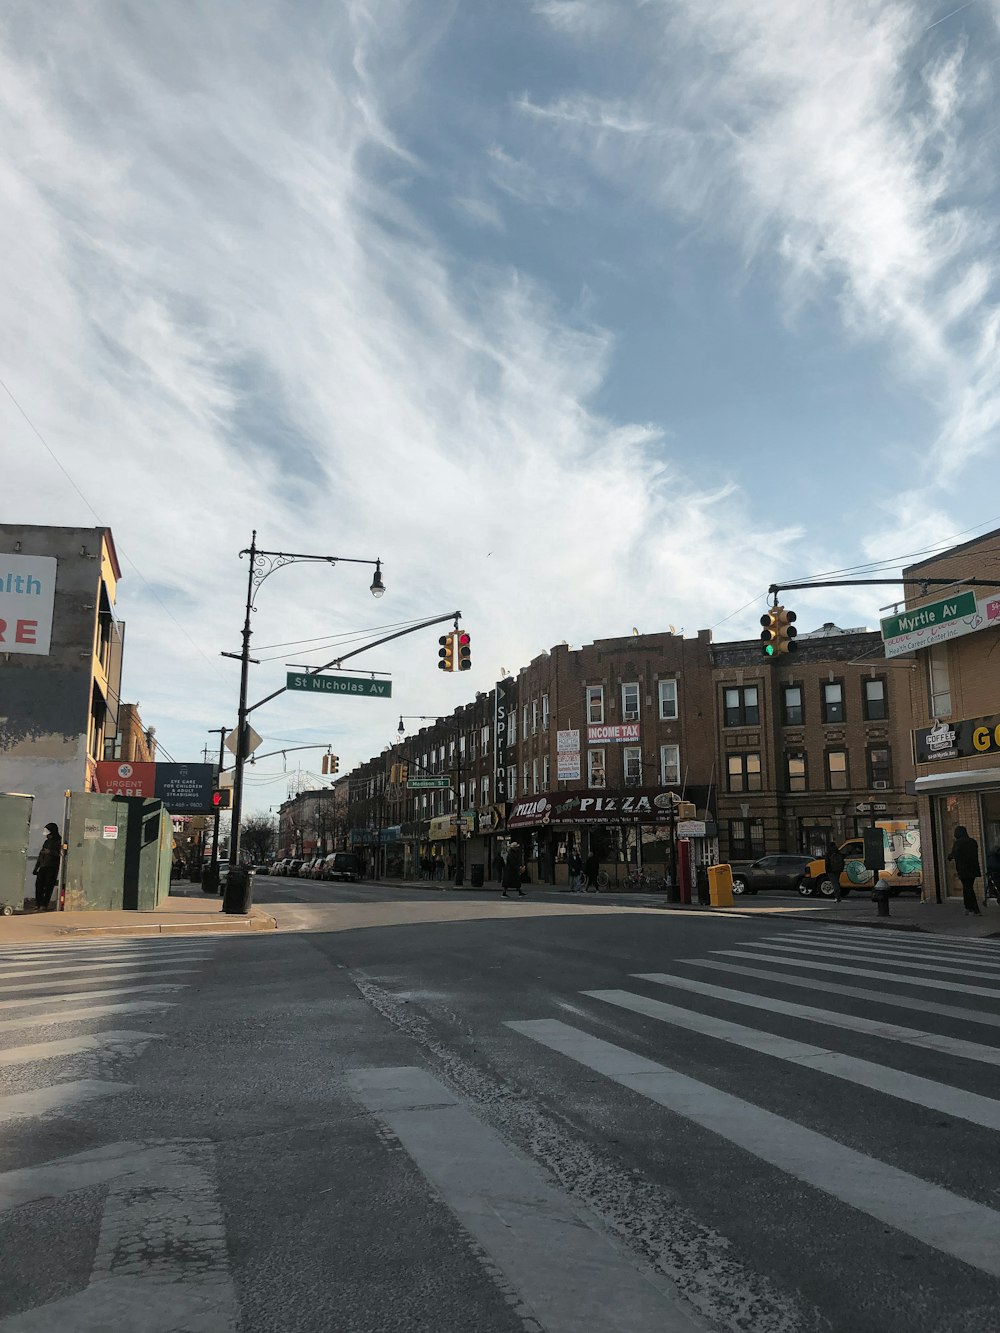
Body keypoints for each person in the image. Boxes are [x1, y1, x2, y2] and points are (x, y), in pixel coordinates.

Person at [947, 824, 982, 915]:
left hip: (963, 869)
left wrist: (949, 857)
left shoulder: (958, 843)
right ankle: (968, 907)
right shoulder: (972, 841)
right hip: (973, 868)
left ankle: (975, 909)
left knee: (968, 889)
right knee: (968, 887)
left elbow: (953, 854)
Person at [33, 823, 62, 911]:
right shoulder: (46, 842)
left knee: (48, 886)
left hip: (52, 867)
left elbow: (60, 854)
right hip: (43, 866)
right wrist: (36, 867)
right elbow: (41, 855)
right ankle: (38, 903)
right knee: (39, 885)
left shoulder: (59, 841)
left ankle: (44, 905)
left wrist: (50, 852)